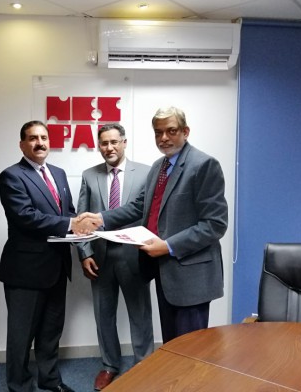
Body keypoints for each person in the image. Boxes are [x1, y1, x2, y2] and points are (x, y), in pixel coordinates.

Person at [80, 107, 228, 343]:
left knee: (190, 349)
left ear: (185, 132)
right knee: (171, 345)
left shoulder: (204, 165)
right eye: (158, 133)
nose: (164, 138)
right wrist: (101, 218)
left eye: (171, 131)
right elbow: (140, 207)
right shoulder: (159, 166)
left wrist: (168, 246)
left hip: (191, 275)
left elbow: (215, 224)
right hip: (164, 270)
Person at [0, 120, 91, 392]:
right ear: (22, 144)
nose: (39, 143)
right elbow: (25, 216)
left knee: (51, 331)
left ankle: (50, 380)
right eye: (32, 138)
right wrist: (70, 224)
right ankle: (19, 387)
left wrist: (83, 224)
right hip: (25, 270)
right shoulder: (11, 176)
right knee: (21, 336)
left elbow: (67, 211)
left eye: (43, 137)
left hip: (57, 267)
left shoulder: (58, 174)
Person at [76, 124, 154, 390]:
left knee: (140, 314)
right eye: (104, 143)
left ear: (124, 142)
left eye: (114, 142)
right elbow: (82, 219)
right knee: (104, 315)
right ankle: (109, 365)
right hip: (100, 257)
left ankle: (144, 364)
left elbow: (148, 213)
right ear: (99, 146)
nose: (109, 148)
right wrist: (84, 253)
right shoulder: (89, 175)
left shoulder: (145, 173)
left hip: (134, 256)